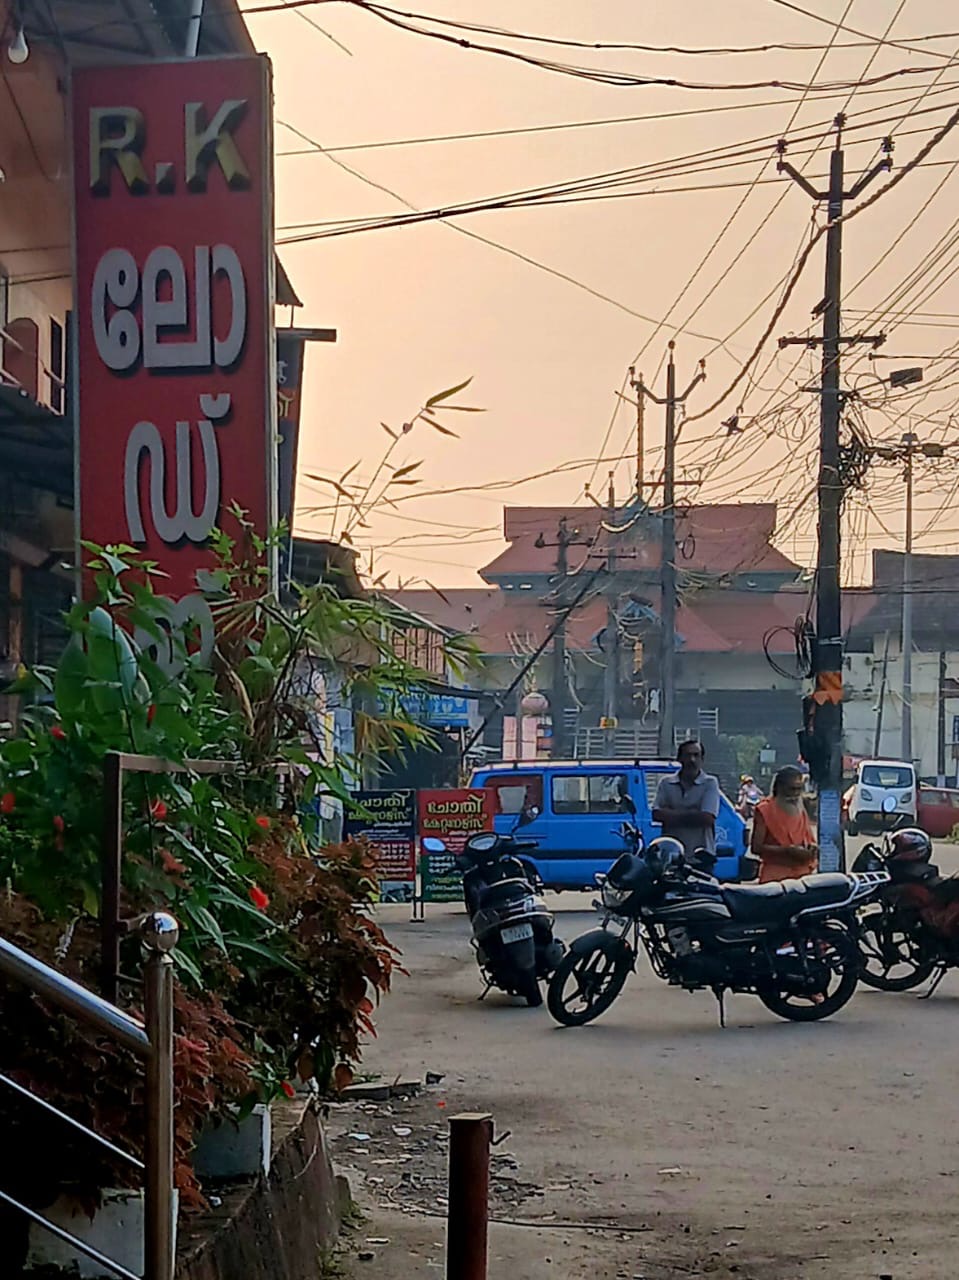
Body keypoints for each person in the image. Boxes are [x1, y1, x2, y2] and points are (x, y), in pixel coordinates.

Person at [652, 741, 721, 861]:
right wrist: (694, 813)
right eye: (688, 755)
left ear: (702, 759)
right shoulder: (666, 783)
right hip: (672, 856)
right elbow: (657, 814)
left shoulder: (710, 783)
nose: (692, 760)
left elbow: (707, 818)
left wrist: (672, 815)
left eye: (696, 755)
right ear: (679, 758)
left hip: (701, 856)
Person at [751, 766, 818, 883]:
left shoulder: (800, 808)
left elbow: (808, 839)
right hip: (775, 877)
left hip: (802, 876)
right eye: (792, 789)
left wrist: (811, 848)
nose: (796, 794)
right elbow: (756, 848)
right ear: (780, 787)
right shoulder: (764, 810)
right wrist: (786, 851)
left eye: (799, 789)